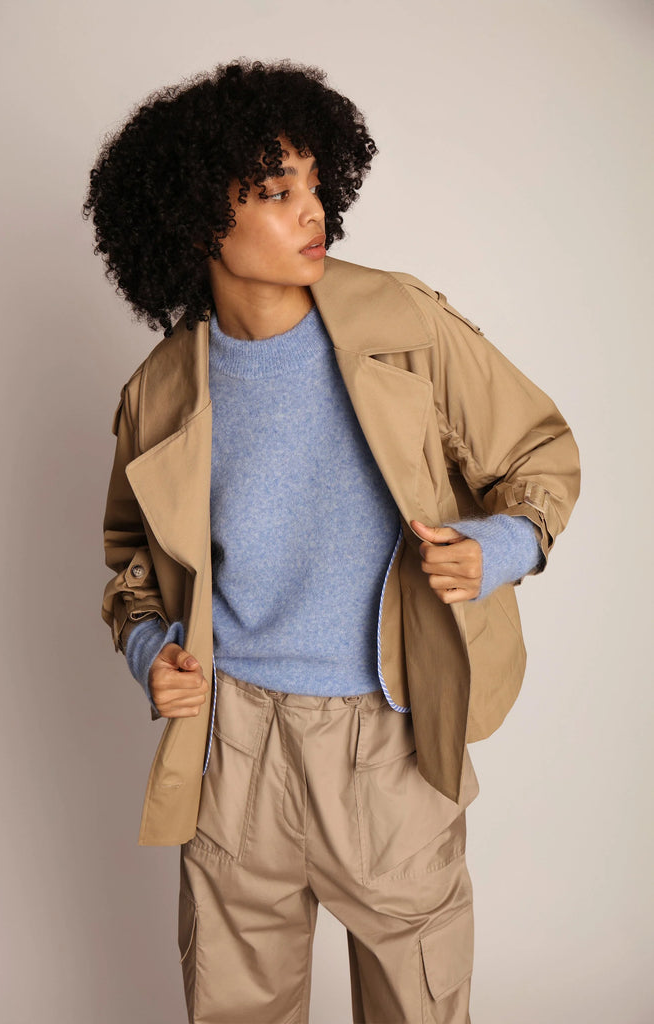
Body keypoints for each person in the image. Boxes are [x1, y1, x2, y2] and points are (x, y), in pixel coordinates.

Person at [84, 59, 580, 1024]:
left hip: (387, 737)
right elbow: (131, 565)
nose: (313, 210)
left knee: (417, 1004)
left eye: (316, 183)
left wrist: (498, 550)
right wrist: (152, 651)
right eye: (276, 192)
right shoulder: (160, 392)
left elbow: (539, 455)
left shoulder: (404, 325)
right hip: (231, 750)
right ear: (198, 222)